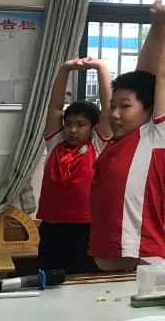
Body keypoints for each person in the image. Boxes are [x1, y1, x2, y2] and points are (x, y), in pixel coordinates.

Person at [87, 1, 165, 271]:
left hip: (141, 265)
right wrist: (156, 26)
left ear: (150, 110)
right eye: (112, 106)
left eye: (125, 106)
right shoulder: (119, 142)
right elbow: (145, 76)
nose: (114, 114)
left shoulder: (157, 138)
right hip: (107, 266)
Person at [36, 56, 110, 274]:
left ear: (94, 128)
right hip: (52, 228)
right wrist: (65, 69)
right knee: (50, 280)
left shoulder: (98, 145)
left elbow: (107, 107)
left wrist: (100, 67)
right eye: (68, 124)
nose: (73, 130)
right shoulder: (56, 143)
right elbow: (55, 107)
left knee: (83, 280)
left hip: (86, 228)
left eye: (80, 125)